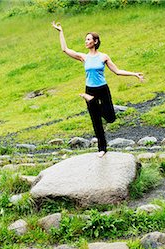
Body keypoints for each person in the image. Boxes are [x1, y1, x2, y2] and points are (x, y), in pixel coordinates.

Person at [52, 22, 144, 157]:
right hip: (90, 89)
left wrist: (134, 74)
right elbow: (65, 49)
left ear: (95, 42)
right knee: (96, 121)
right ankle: (102, 149)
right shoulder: (84, 57)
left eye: (88, 39)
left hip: (102, 89)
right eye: (86, 39)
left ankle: (92, 101)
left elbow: (117, 71)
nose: (86, 41)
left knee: (111, 118)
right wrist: (60, 32)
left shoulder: (103, 57)